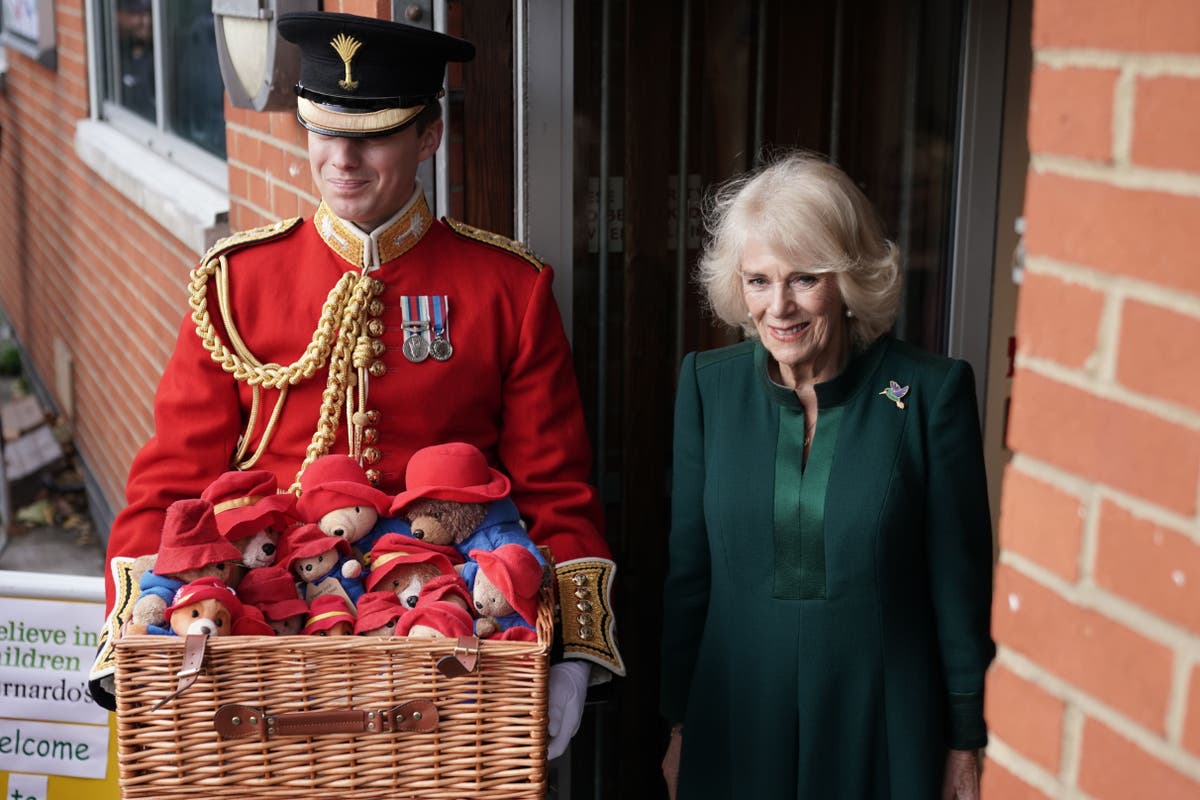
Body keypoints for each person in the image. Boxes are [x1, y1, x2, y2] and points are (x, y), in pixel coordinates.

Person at [89, 11, 624, 760]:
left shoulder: (509, 288)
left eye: (371, 134)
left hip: (447, 648)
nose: (340, 158)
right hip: (265, 644)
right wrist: (129, 639)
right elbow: (172, 485)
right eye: (322, 129)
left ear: (427, 138)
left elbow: (554, 490)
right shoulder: (236, 283)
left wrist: (572, 652)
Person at [659, 152, 994, 799]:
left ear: (850, 280)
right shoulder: (708, 386)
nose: (778, 306)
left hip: (882, 723)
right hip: (736, 715)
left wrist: (964, 739)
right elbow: (688, 574)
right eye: (758, 280)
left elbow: (959, 585)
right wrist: (678, 726)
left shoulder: (930, 394)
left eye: (804, 279)